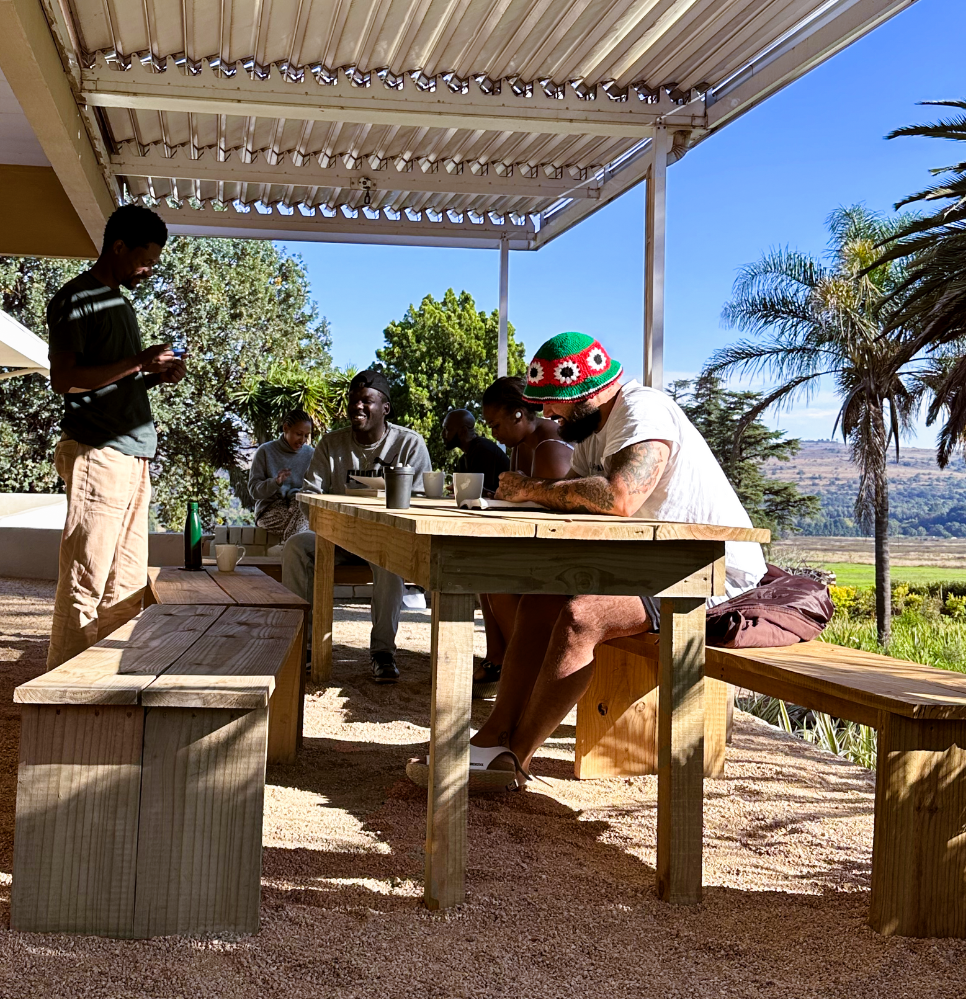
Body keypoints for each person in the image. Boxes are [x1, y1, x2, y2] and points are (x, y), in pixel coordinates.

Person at [463, 332, 765, 786]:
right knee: (539, 599)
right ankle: (493, 735)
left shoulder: (643, 411)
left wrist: (528, 490)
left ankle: (516, 759)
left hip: (708, 575)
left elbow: (618, 497)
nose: (546, 414)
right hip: (654, 566)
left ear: (587, 393)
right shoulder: (589, 429)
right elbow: (579, 501)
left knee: (581, 616)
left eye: (553, 403)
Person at [46, 204, 186, 669]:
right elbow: (64, 380)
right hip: (96, 452)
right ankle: (64, 699)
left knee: (126, 587)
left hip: (131, 458)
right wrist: (139, 363)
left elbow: (110, 381)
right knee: (85, 582)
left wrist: (152, 376)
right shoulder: (77, 297)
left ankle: (108, 682)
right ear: (119, 246)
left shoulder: (121, 303)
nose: (150, 270)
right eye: (146, 260)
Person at [283, 370, 432, 683]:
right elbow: (308, 494)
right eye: (353, 401)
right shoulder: (331, 444)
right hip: (337, 537)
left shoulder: (408, 444)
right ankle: (306, 646)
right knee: (297, 547)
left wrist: (368, 488)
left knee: (389, 559)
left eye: (367, 401)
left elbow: (421, 499)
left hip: (387, 540)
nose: (358, 407)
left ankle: (382, 652)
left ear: (385, 408)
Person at [471, 376, 574, 697]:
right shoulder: (521, 444)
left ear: (518, 414)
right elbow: (523, 500)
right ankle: (499, 658)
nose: (493, 433)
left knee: (497, 582)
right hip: (536, 543)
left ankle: (529, 669)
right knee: (483, 575)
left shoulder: (549, 446)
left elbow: (557, 516)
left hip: (565, 552)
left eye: (496, 423)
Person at [249, 409, 315, 542]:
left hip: (299, 506)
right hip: (270, 510)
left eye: (306, 436)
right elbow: (254, 491)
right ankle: (295, 556)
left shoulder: (311, 454)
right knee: (307, 526)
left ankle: (290, 556)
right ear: (286, 428)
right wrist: (275, 482)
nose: (302, 440)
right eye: (299, 434)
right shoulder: (265, 451)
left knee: (303, 511)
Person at [441, 409, 509, 494]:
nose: (443, 434)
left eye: (447, 429)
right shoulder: (463, 459)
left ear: (463, 431)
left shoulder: (483, 451)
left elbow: (482, 495)